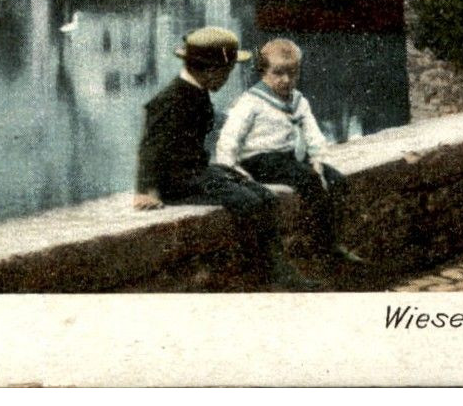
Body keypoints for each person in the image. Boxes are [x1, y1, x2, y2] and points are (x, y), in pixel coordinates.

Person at [133, 26, 313, 289]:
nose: (226, 80)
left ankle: (277, 268)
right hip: (177, 183)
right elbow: (150, 146)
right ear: (210, 70)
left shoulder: (196, 91)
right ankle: (272, 273)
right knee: (248, 202)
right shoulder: (170, 99)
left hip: (197, 172)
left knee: (262, 194)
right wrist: (143, 190)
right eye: (226, 74)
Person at [215, 37, 360, 263]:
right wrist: (231, 169)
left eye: (293, 73)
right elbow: (229, 138)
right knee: (309, 180)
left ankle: (333, 239)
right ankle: (323, 245)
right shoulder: (250, 102)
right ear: (263, 72)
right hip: (258, 160)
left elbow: (313, 133)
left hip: (287, 159)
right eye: (278, 73)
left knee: (336, 180)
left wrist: (318, 160)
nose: (286, 80)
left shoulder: (299, 101)